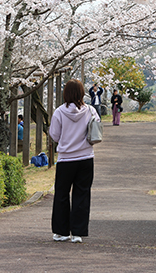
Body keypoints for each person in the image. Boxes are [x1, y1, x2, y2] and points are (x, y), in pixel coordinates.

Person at [49, 78, 100, 244]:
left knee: (62, 195)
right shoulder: (91, 110)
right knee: (82, 194)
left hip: (66, 159)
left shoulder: (59, 112)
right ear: (82, 93)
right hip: (86, 158)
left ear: (66, 93)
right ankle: (77, 233)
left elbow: (54, 135)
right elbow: (96, 129)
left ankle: (62, 232)